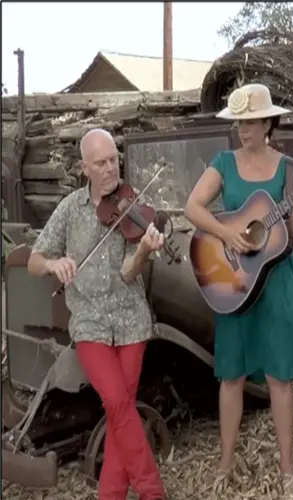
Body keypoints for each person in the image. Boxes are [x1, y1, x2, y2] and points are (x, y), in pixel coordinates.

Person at [184, 83, 293, 494]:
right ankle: (225, 462)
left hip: (277, 278)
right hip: (235, 280)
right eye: (237, 123)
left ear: (267, 123)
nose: (241, 130)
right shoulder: (224, 162)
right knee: (231, 375)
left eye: (248, 123)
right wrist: (226, 236)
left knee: (280, 377)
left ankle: (287, 469)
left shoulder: (287, 169)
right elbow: (192, 206)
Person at [27, 129, 166, 500]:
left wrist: (143, 253)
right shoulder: (71, 209)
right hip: (89, 323)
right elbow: (33, 260)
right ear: (84, 168)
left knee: (120, 414)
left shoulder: (130, 204)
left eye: (113, 160)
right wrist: (55, 263)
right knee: (118, 404)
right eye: (101, 163)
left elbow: (127, 273)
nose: (110, 169)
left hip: (131, 320)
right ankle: (154, 492)